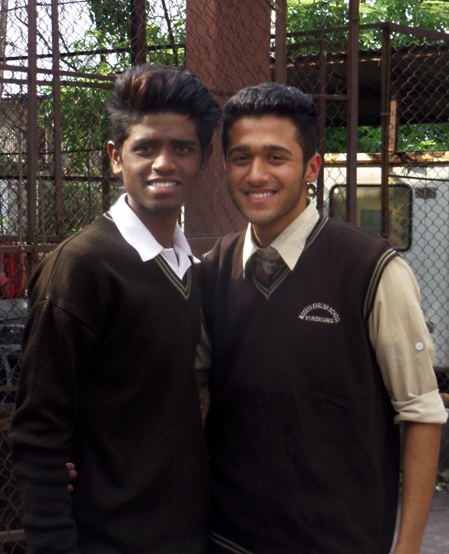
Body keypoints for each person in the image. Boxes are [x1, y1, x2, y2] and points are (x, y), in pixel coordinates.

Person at [202, 82, 448, 554]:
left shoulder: (371, 270)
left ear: (311, 167)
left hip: (339, 540)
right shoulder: (215, 269)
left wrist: (407, 547)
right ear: (225, 166)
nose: (256, 174)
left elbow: (421, 412)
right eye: (241, 157)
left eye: (276, 157)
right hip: (229, 539)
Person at [8, 64, 221, 554]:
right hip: (108, 538)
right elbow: (38, 431)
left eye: (182, 148)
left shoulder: (191, 268)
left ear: (204, 159)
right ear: (115, 157)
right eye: (145, 147)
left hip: (186, 534)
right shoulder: (82, 267)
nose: (164, 163)